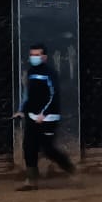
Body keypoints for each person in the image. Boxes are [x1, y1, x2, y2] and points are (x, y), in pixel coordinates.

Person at [18, 43, 75, 189]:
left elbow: (53, 95)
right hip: (32, 116)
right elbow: (28, 95)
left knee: (48, 149)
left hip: (47, 118)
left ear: (44, 57)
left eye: (37, 55)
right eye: (32, 54)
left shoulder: (50, 73)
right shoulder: (31, 72)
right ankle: (31, 180)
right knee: (28, 147)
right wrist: (22, 110)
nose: (34, 57)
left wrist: (44, 113)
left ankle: (71, 170)